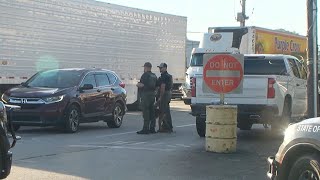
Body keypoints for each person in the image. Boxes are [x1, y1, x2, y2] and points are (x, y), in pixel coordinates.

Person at [136, 62, 158, 134]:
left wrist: (138, 84)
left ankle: (145, 128)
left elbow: (141, 85)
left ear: (147, 67)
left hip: (146, 94)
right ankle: (152, 128)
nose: (144, 69)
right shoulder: (154, 75)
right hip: (152, 95)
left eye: (144, 67)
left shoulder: (145, 75)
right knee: (152, 112)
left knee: (146, 112)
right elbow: (157, 86)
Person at [156, 63, 173, 133]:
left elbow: (163, 87)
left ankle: (167, 127)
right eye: (159, 68)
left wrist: (160, 97)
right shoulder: (169, 76)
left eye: (161, 68)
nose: (160, 69)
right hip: (168, 93)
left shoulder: (164, 76)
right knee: (166, 110)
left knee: (163, 111)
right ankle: (167, 126)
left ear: (165, 68)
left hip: (165, 94)